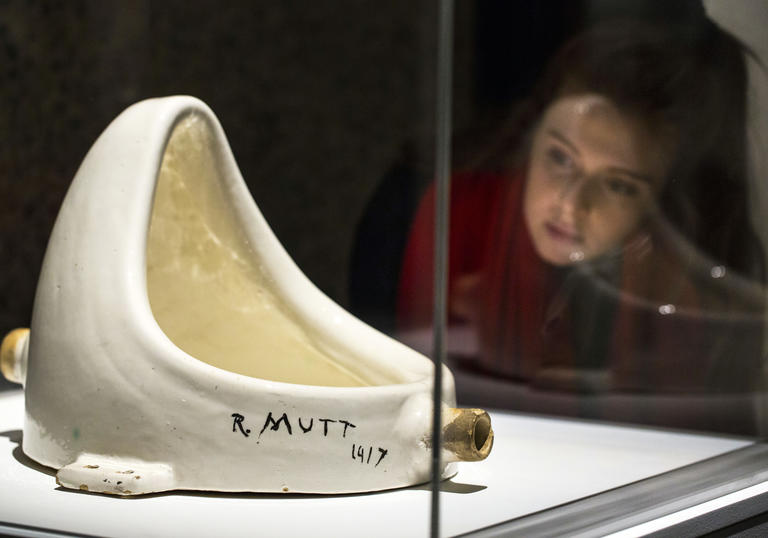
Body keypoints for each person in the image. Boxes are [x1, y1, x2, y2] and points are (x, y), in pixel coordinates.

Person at [396, 20, 766, 434]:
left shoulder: (681, 279)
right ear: (531, 138)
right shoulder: (459, 215)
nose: (571, 205)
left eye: (618, 185)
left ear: (658, 204)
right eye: (560, 158)